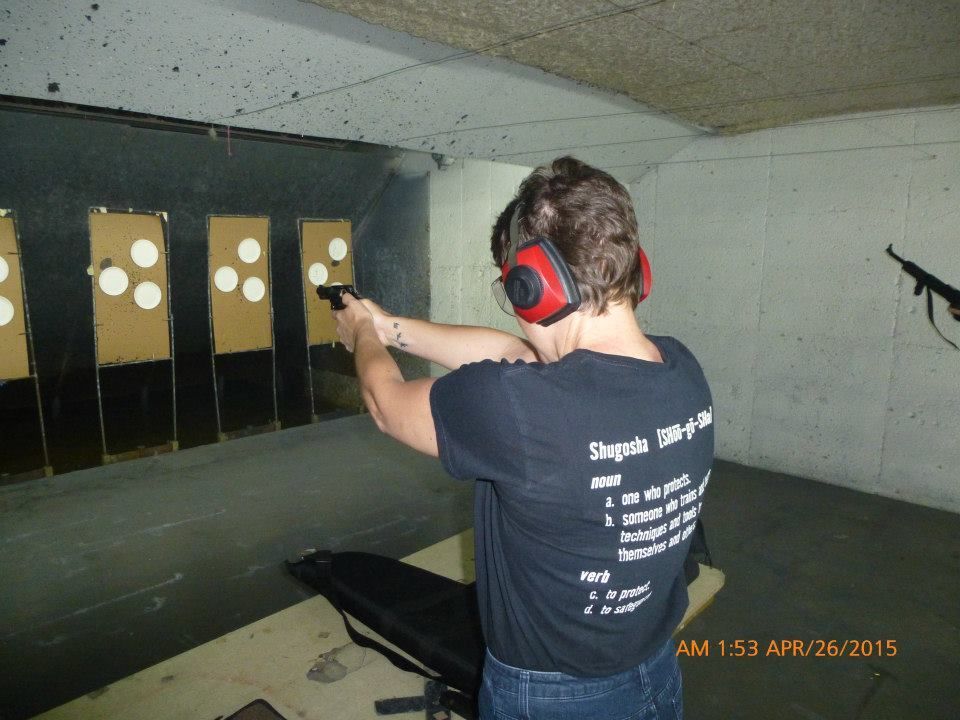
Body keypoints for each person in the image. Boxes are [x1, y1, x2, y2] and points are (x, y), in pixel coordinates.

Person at [332, 156, 714, 720]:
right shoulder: (682, 369)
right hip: (654, 669)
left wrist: (362, 335)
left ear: (532, 284)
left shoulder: (521, 409)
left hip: (554, 697)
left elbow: (387, 406)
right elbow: (516, 355)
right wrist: (391, 327)